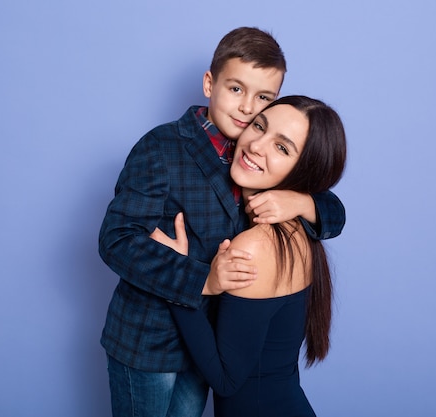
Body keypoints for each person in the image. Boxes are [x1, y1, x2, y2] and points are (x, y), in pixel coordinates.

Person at [98, 27, 346, 417]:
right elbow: (116, 239)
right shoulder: (161, 148)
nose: (248, 108)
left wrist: (299, 200)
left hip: (207, 343)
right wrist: (201, 279)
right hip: (149, 341)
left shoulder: (255, 151)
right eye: (236, 89)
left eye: (262, 98)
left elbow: (333, 212)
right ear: (210, 84)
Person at [151, 95, 346, 417]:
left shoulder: (255, 246)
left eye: (282, 148)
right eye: (259, 126)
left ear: (305, 171)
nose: (256, 146)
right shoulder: (299, 230)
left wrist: (178, 278)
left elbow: (227, 380)